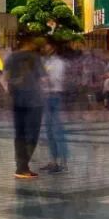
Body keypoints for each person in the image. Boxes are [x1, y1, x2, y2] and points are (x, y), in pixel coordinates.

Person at [5, 30, 46, 180]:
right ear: (29, 41)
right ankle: (23, 166)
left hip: (18, 100)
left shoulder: (11, 57)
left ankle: (21, 166)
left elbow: (6, 77)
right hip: (34, 100)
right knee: (32, 134)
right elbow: (43, 78)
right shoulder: (34, 57)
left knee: (20, 134)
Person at [42, 39, 69, 174]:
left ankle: (62, 162)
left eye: (46, 46)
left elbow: (56, 80)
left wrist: (45, 78)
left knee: (57, 130)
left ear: (52, 47)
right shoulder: (46, 62)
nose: (44, 48)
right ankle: (53, 160)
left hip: (54, 96)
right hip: (46, 96)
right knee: (49, 131)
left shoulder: (58, 63)